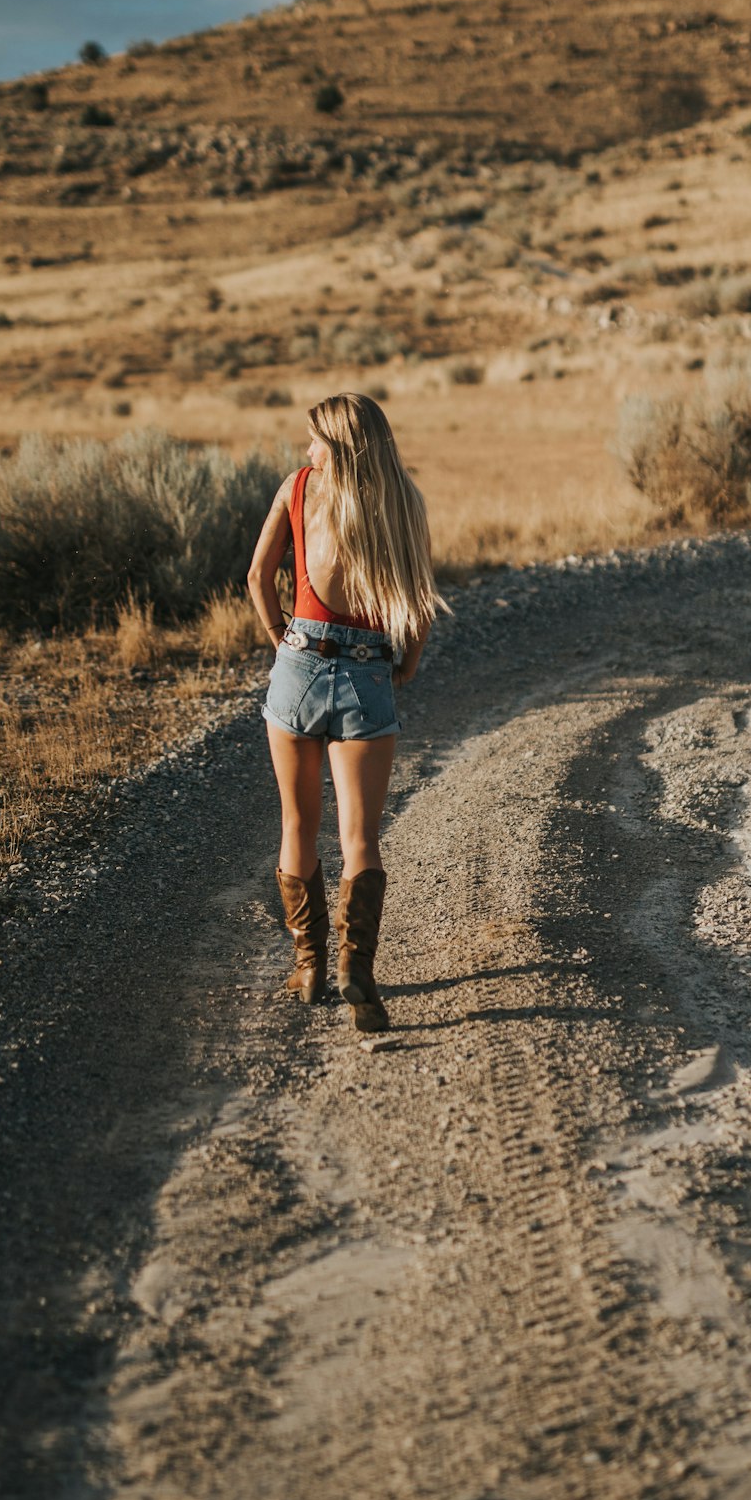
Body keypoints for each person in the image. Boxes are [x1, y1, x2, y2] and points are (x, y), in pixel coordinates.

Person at [246, 392, 445, 1033]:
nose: (307, 452)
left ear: (338, 446)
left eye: (315, 441)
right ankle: (357, 971)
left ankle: (308, 969)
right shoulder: (403, 501)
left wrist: (283, 639)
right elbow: (417, 596)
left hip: (298, 667)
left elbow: (256, 576)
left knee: (296, 824)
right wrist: (406, 663)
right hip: (368, 676)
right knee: (360, 837)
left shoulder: (300, 488)